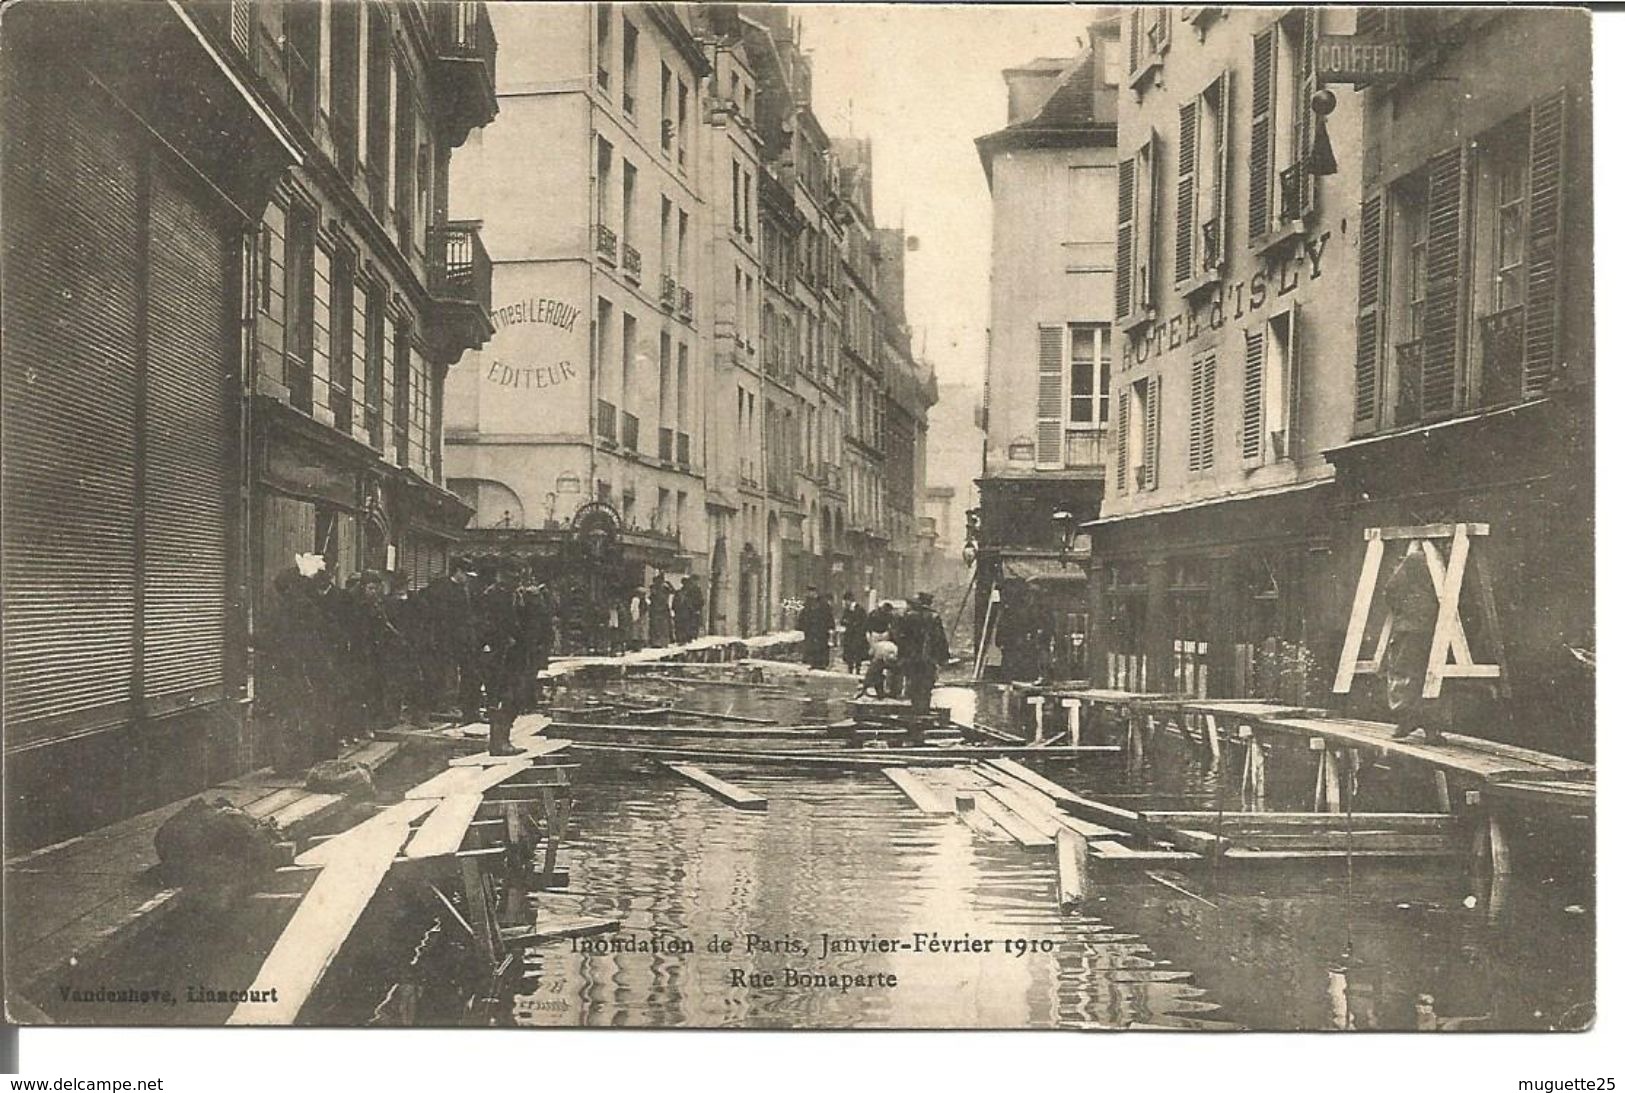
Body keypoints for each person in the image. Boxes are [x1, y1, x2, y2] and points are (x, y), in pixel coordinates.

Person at [1381, 540, 1445, 742]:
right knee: (1431, 675)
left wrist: (1401, 611)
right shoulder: (1443, 561)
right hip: (1436, 627)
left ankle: (1406, 719)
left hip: (1409, 626)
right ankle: (1431, 729)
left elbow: (1391, 590)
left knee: (1404, 671)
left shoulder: (1413, 560)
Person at [476, 557, 530, 756]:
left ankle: (501, 740)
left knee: (512, 696)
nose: (518, 580)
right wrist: (503, 639)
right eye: (515, 576)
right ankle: (499, 743)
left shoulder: (512, 594)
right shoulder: (495, 595)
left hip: (512, 653)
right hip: (500, 653)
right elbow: (488, 623)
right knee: (501, 696)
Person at [425, 555, 483, 725]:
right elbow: (438, 617)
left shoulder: (468, 589)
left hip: (466, 640)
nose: (467, 578)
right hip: (447, 639)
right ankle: (446, 706)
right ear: (457, 571)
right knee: (447, 673)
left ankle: (467, 707)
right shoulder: (442, 589)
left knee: (469, 674)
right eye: (465, 574)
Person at [896, 592, 950, 713]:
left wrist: (901, 657)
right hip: (928, 659)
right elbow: (940, 639)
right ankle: (924, 710)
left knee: (913, 683)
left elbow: (902, 639)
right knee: (926, 685)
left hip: (912, 658)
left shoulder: (908, 617)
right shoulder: (934, 617)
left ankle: (915, 710)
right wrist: (943, 657)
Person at [798, 586, 833, 669]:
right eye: (809, 592)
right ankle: (812, 664)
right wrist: (802, 626)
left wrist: (830, 628)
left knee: (821, 648)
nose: (810, 594)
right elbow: (802, 617)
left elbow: (828, 617)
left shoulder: (823, 604)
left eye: (812, 592)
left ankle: (821, 664)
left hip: (821, 632)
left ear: (815, 592)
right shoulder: (807, 604)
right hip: (810, 632)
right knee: (811, 648)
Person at [840, 591, 869, 673]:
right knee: (849, 652)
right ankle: (850, 668)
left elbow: (864, 622)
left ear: (849, 600)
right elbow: (843, 621)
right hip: (849, 635)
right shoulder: (847, 610)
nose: (845, 603)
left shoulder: (860, 610)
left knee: (857, 652)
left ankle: (857, 669)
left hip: (857, 635)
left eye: (846, 601)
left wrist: (853, 624)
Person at [675, 576, 704, 643]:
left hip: (687, 613)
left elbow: (700, 602)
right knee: (685, 627)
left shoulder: (691, 591)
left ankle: (686, 639)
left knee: (687, 627)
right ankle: (685, 639)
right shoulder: (682, 592)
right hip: (685, 613)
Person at [648, 571, 674, 647]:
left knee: (664, 626)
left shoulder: (666, 588)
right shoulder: (653, 588)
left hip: (663, 609)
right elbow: (652, 596)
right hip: (656, 609)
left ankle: (664, 642)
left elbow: (673, 591)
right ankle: (656, 642)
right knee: (656, 627)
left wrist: (669, 584)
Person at [628, 586, 649, 650]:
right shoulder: (635, 600)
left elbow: (648, 606)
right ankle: (636, 645)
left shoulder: (645, 600)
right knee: (635, 630)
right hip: (637, 616)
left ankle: (641, 644)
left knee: (641, 630)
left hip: (643, 616)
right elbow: (633, 608)